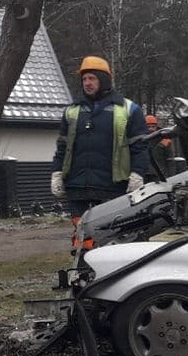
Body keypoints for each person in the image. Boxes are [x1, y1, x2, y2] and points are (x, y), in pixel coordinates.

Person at [50, 56, 150, 244]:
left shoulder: (128, 109)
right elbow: (62, 147)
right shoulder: (71, 111)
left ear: (103, 79)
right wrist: (56, 172)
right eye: (84, 79)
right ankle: (83, 269)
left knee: (111, 236)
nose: (87, 83)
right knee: (82, 236)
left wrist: (137, 174)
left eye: (92, 78)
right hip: (77, 187)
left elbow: (140, 147)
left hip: (112, 188)